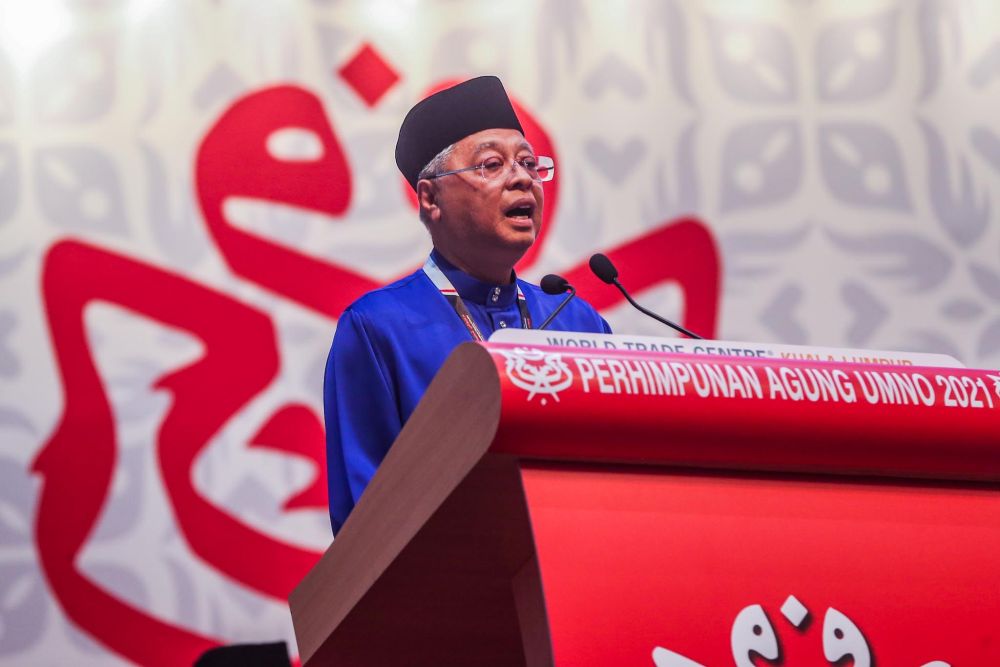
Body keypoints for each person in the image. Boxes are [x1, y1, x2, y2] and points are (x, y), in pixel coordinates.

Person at [323, 76, 611, 534]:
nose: (521, 178)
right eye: (491, 164)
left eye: (529, 164)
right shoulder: (378, 328)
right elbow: (364, 519)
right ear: (430, 197)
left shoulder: (577, 321)